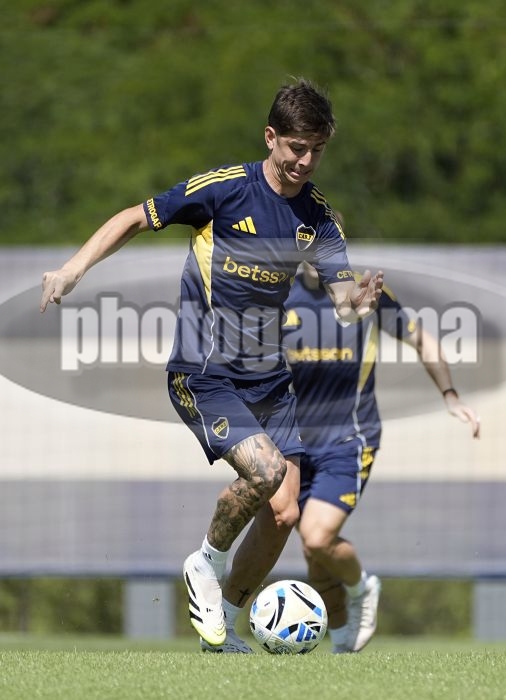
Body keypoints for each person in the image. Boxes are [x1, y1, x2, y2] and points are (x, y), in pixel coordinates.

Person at [39, 78, 384, 649]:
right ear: (271, 137)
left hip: (271, 383)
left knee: (284, 513)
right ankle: (205, 562)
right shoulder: (223, 191)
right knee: (266, 472)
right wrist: (73, 269)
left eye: (317, 150)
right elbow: (135, 217)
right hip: (205, 372)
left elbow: (343, 299)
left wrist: (358, 303)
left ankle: (221, 621)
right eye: (297, 147)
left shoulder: (318, 217)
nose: (305, 161)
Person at [282, 260, 481, 653]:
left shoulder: (364, 292)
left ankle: (362, 587)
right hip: (296, 443)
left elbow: (421, 339)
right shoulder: (280, 294)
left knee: (316, 537)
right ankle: (343, 642)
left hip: (350, 438)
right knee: (313, 551)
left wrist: (450, 395)